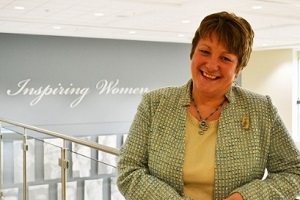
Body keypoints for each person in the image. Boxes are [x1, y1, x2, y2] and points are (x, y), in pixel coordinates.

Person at [117, 11, 300, 200]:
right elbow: (128, 170)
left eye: (225, 58)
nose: (212, 65)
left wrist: (245, 197)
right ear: (193, 54)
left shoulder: (261, 109)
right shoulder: (155, 104)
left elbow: (294, 172)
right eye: (205, 52)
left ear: (238, 69)